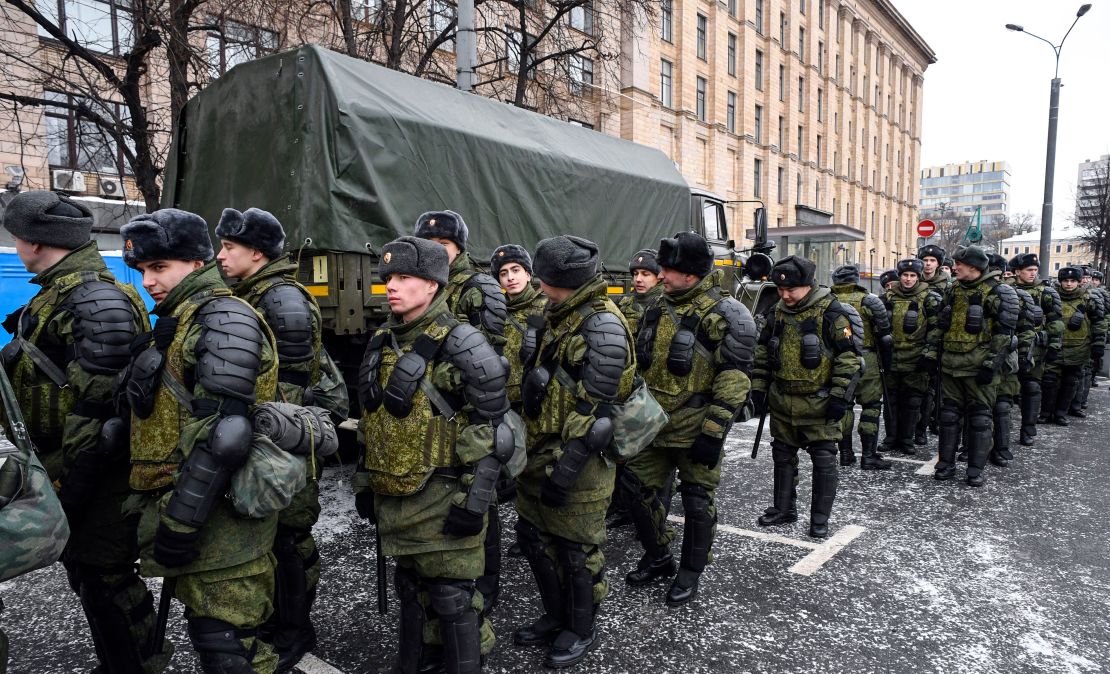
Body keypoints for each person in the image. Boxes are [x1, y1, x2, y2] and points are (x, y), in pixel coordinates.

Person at [0, 191, 167, 673]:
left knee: (107, 578)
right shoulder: (64, 290)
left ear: (35, 241)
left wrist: (69, 490)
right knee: (93, 577)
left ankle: (137, 665)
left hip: (97, 474)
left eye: (17, 237)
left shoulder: (93, 298)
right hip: (72, 465)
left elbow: (103, 413)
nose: (15, 247)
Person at [119, 208, 281, 672]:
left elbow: (226, 436)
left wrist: (181, 523)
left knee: (229, 645)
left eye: (159, 267)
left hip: (222, 521)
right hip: (193, 510)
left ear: (195, 263)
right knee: (212, 635)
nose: (148, 281)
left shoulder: (223, 316)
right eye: (144, 270)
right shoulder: (183, 316)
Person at [353, 236, 512, 674]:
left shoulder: (463, 343)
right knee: (412, 588)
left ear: (433, 285)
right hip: (398, 495)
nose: (392, 286)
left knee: (452, 596)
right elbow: (372, 421)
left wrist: (475, 501)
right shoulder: (384, 338)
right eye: (389, 278)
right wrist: (365, 483)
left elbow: (495, 433)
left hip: (445, 497)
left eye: (405, 278)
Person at [215, 207, 349, 671]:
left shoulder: (283, 301)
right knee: (273, 543)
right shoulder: (252, 293)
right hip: (266, 437)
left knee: (291, 540)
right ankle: (278, 622)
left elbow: (288, 393)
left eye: (229, 247)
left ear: (256, 252)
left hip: (286, 444)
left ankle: (295, 629)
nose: (221, 256)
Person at [513, 235, 636, 668]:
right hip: (540, 449)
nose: (537, 284)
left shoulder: (602, 325)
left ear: (557, 280)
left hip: (578, 460)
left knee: (575, 549)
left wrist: (564, 472)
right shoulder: (556, 313)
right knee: (533, 538)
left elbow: (597, 415)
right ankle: (555, 615)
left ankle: (580, 627)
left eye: (542, 278)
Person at [623, 232, 755, 604]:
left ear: (692, 275)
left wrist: (713, 433)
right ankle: (659, 555)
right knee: (635, 489)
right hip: (653, 425)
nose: (660, 275)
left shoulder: (726, 313)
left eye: (668, 269)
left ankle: (690, 571)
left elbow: (735, 377)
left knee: (697, 503)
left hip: (696, 426)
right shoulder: (653, 307)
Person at [414, 210, 508, 614]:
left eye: (444, 246)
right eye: (429, 245)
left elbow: (490, 361)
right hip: (430, 415)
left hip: (469, 412)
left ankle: (486, 587)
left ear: (459, 248)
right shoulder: (424, 284)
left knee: (479, 500)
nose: (437, 252)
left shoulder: (479, 289)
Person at [750, 256, 861, 538]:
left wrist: (840, 397)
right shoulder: (776, 313)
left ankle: (819, 519)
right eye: (780, 290)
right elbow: (763, 354)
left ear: (808, 286)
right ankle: (783, 509)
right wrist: (759, 388)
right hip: (783, 401)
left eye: (792, 290)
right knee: (782, 456)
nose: (785, 295)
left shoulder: (832, 312)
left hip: (820, 403)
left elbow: (848, 359)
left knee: (824, 461)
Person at [933, 246, 1018, 487]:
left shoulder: (999, 292)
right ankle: (945, 465)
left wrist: (991, 366)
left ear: (974, 266)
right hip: (951, 365)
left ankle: (974, 470)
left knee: (980, 419)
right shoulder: (952, 289)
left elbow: (1005, 335)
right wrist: (931, 354)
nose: (954, 267)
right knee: (948, 417)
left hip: (979, 367)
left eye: (959, 263)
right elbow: (941, 325)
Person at [491, 244, 544, 555]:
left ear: (527, 273)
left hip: (535, 405)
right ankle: (527, 532)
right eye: (503, 273)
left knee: (535, 472)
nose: (509, 278)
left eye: (515, 270)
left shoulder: (545, 309)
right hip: (505, 405)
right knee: (516, 471)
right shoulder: (496, 311)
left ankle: (533, 534)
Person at [829, 265, 893, 469]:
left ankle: (845, 453)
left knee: (845, 406)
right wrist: (888, 363)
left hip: (838, 360)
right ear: (856, 280)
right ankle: (868, 455)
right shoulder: (870, 301)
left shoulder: (828, 301)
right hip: (868, 360)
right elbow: (885, 336)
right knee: (871, 408)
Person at [880, 259, 942, 456]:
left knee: (912, 402)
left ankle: (907, 439)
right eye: (905, 275)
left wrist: (929, 355)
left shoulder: (930, 298)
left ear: (918, 276)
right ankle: (891, 438)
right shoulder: (888, 296)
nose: (908, 279)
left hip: (916, 358)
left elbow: (936, 328)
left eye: (912, 275)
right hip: (891, 358)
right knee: (891, 401)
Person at [1040, 266, 1106, 424]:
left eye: (1072, 281)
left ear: (1078, 282)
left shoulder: (1089, 298)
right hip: (1055, 347)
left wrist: (1098, 344)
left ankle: (1061, 413)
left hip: (1079, 348)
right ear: (1061, 281)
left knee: (1070, 382)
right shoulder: (1051, 296)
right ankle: (1045, 413)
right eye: (1065, 281)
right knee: (1049, 381)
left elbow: (1099, 322)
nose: (1069, 284)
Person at [1009, 253, 1062, 446]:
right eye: (1028, 270)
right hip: (1012, 349)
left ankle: (1028, 429)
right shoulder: (1008, 291)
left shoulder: (1046, 293)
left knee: (1031, 388)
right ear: (1017, 272)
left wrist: (1054, 346)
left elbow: (1055, 322)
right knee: (1008, 392)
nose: (1033, 273)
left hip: (1036, 350)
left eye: (1034, 270)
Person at [989, 254, 1036, 468]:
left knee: (1001, 406)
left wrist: (1026, 357)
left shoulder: (1017, 297)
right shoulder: (967, 294)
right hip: (976, 359)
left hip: (1005, 361)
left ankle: (1000, 448)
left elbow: (1027, 331)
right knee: (975, 408)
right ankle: (973, 447)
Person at [915, 244, 951, 446]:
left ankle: (926, 427)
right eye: (925, 260)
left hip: (937, 343)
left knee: (932, 389)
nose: (928, 264)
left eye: (932, 261)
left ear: (938, 264)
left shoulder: (947, 286)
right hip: (915, 342)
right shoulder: (913, 280)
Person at [618, 248, 663, 336]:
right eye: (635, 274)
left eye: (645, 274)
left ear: (658, 277)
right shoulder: (622, 304)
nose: (638, 279)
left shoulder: (667, 304)